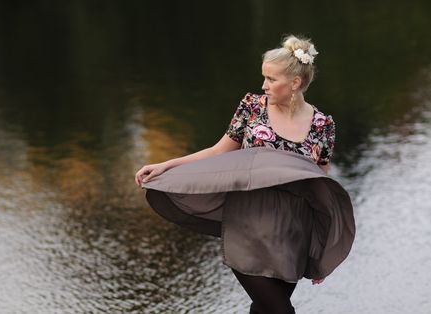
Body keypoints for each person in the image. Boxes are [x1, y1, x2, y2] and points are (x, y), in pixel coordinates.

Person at [135, 35, 350, 314]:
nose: (264, 85)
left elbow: (320, 189)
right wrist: (166, 165)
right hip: (247, 220)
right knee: (280, 311)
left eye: (271, 79)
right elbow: (217, 152)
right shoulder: (252, 107)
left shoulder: (323, 124)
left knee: (264, 309)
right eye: (264, 78)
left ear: (294, 83)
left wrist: (321, 250)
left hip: (292, 230)